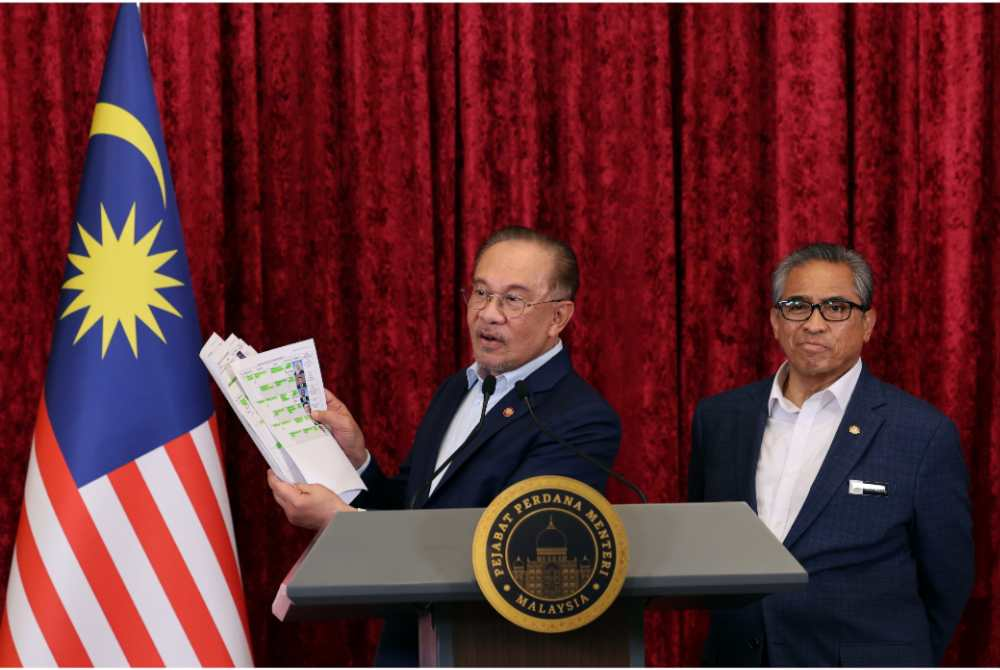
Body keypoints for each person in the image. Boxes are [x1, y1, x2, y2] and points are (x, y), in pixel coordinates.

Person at [269, 226, 621, 665]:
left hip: (490, 650)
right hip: (409, 647)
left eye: (513, 300)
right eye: (480, 293)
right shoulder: (458, 388)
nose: (489, 314)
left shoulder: (581, 420)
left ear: (558, 318)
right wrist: (358, 461)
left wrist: (343, 524)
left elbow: (508, 554)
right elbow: (414, 513)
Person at [688, 242, 973, 666]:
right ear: (774, 320)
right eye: (797, 306)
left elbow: (947, 580)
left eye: (836, 307)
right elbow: (705, 542)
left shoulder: (922, 433)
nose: (814, 324)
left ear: (868, 323)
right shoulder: (720, 418)